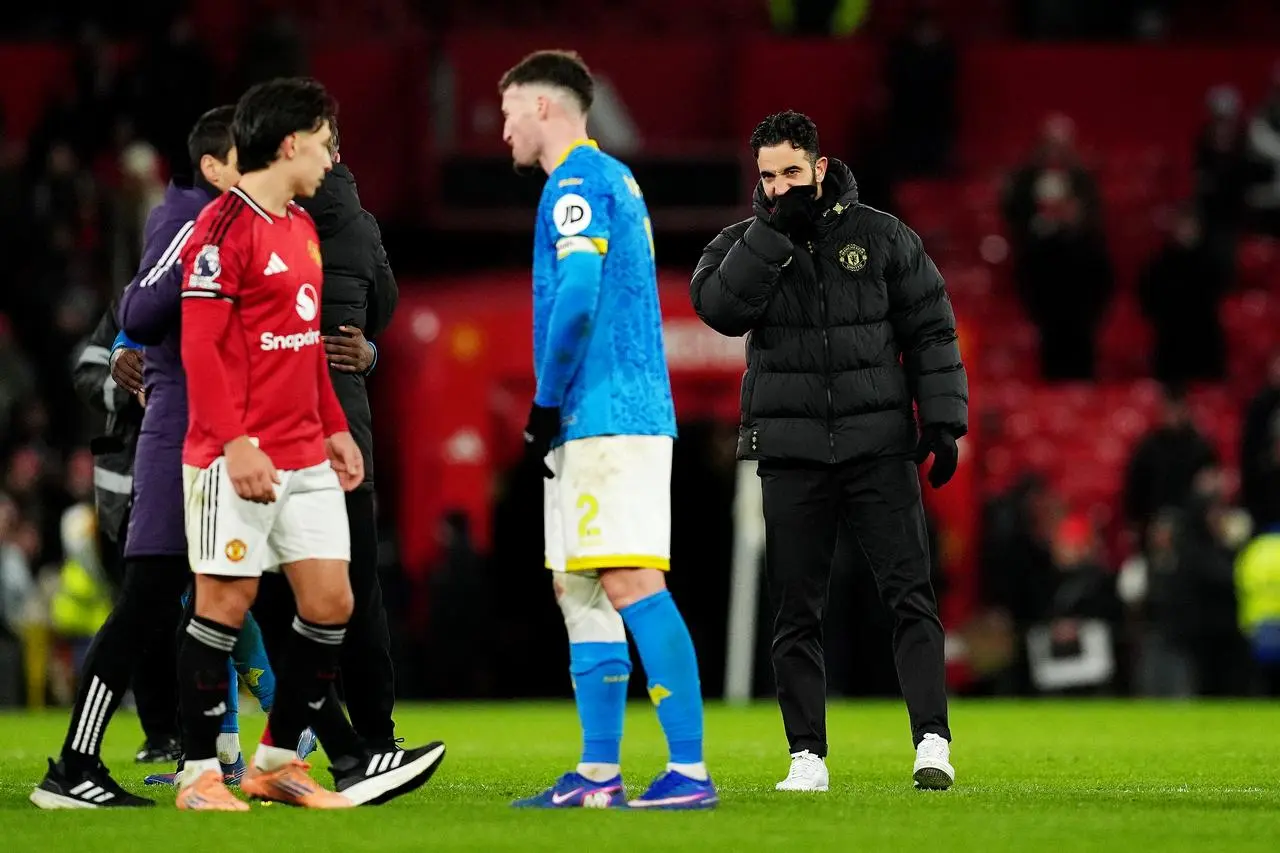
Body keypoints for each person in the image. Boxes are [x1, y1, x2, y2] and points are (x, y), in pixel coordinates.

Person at [170, 77, 444, 812]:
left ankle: (276, 760)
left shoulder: (300, 228)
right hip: (234, 454)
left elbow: (306, 347)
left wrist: (334, 428)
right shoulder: (220, 231)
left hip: (306, 451)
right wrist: (235, 442)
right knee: (225, 603)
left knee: (332, 601)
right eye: (325, 142)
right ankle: (198, 774)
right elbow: (201, 350)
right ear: (290, 143)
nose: (333, 158)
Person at [690, 110, 965, 792]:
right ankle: (806, 754)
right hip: (793, 452)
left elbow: (931, 327)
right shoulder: (743, 243)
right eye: (768, 176)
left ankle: (933, 741)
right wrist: (771, 233)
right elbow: (719, 307)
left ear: (819, 166)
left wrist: (943, 421)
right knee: (796, 609)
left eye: (791, 171)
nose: (782, 186)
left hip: (878, 447)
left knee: (909, 596)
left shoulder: (882, 236)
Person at [499, 50, 716, 810]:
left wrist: (549, 398)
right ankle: (598, 776)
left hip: (606, 414)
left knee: (628, 578)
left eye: (510, 112)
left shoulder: (579, 180)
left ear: (546, 108)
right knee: (579, 584)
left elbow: (583, 293)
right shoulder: (612, 179)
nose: (504, 131)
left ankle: (688, 769)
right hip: (601, 418)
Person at [30, 108, 258, 810]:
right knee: (147, 604)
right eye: (242, 159)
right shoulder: (191, 220)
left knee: (209, 602)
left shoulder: (212, 221)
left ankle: (216, 756)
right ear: (216, 167)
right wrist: (127, 345)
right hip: (172, 441)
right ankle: (75, 765)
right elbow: (140, 302)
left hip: (199, 438)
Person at [293, 117, 404, 767]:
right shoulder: (363, 228)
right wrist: (366, 349)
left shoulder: (276, 215)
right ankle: (378, 733)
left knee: (285, 593)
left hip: (283, 424)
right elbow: (382, 310)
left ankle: (296, 727)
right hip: (349, 430)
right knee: (360, 590)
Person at [71, 303, 186, 762]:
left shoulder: (200, 290)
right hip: (127, 489)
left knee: (203, 612)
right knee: (145, 614)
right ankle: (161, 734)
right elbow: (86, 370)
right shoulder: (136, 302)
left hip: (194, 470)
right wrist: (134, 385)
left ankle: (206, 733)